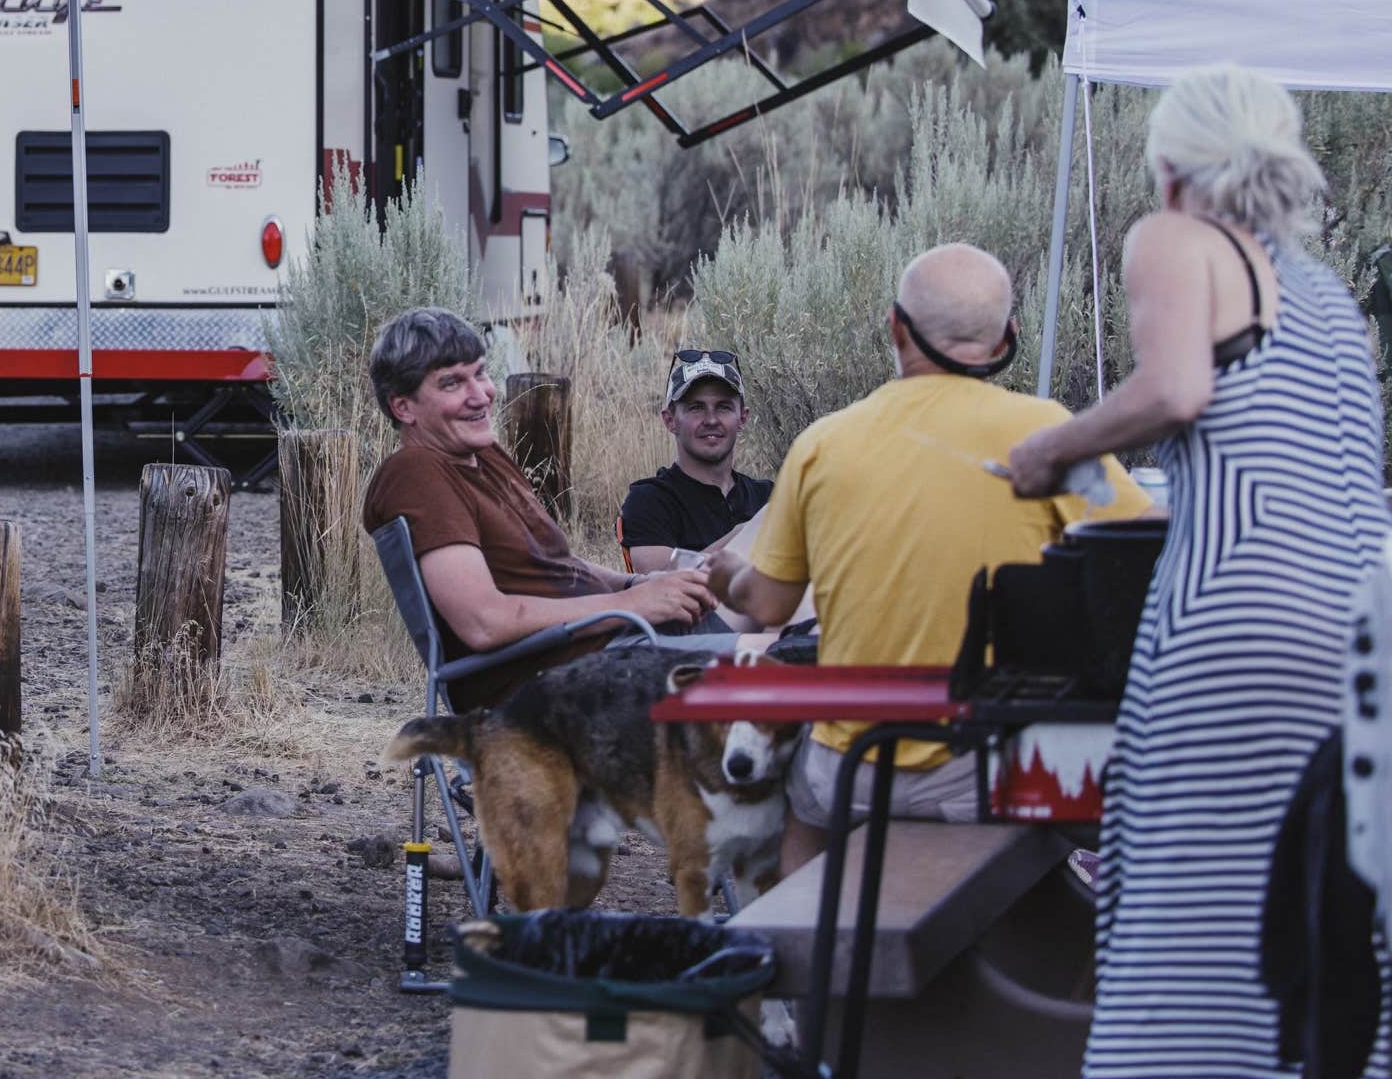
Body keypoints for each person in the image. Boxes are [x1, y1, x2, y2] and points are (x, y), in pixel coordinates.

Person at [1001, 66, 1387, 1079]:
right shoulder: (1326, 292)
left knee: (1194, 898)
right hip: (1358, 630)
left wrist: (1051, 448)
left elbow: (1176, 386)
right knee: (1307, 909)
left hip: (1238, 614)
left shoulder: (1177, 235)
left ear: (1172, 166)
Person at [709, 243, 1147, 874]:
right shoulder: (1048, 434)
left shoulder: (824, 442)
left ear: (895, 327)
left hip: (857, 766)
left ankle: (797, 945)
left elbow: (771, 602)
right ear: (1008, 339)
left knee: (802, 812)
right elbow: (1141, 550)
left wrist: (728, 578)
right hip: (992, 762)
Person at [359, 307, 714, 709]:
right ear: (403, 407)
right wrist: (628, 606)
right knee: (780, 670)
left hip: (614, 646)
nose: (481, 394)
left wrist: (633, 584)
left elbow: (553, 562)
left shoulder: (481, 453)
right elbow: (483, 623)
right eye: (452, 383)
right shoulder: (417, 473)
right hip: (565, 679)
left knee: (770, 606)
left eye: (480, 372)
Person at [619, 350, 774, 574]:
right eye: (696, 408)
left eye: (723, 407)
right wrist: (748, 533)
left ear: (742, 418)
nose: (711, 420)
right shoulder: (650, 499)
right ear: (670, 420)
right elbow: (656, 582)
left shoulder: (767, 495)